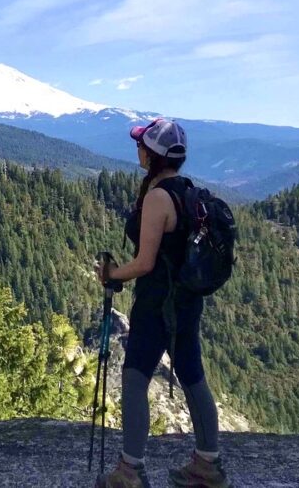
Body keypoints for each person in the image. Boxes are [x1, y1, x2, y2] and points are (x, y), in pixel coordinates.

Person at [94, 118, 232, 488]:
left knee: (135, 378)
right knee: (192, 376)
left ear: (152, 155)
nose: (137, 150)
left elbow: (145, 263)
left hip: (158, 306)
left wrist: (112, 275)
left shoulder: (158, 198)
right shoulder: (187, 191)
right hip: (186, 304)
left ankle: (130, 470)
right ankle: (208, 463)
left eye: (141, 146)